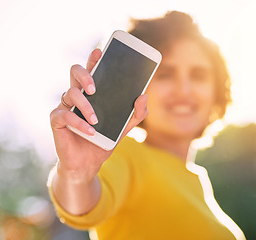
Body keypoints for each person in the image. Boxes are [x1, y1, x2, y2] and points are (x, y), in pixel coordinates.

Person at [48, 11, 246, 240]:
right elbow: (84, 203)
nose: (184, 90)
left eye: (198, 75)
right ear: (139, 88)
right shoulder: (126, 156)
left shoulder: (200, 183)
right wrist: (75, 175)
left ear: (216, 90)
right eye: (165, 75)